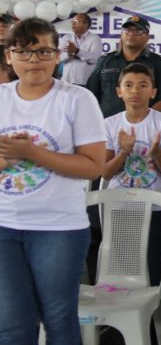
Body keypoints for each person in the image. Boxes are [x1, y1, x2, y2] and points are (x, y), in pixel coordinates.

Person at [0, 18, 105, 343]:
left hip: (59, 228)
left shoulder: (77, 99)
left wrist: (32, 153)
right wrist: (6, 158)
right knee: (12, 326)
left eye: (44, 51)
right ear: (9, 56)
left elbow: (93, 166)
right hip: (3, 226)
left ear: (57, 56)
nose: (34, 60)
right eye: (24, 51)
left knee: (59, 320)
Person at [100, 62, 161, 328]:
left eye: (143, 85)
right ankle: (124, 326)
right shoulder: (110, 124)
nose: (135, 91)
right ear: (119, 91)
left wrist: (155, 154)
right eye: (129, 85)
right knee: (123, 271)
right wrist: (123, 151)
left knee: (156, 272)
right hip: (121, 209)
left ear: (153, 91)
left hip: (156, 211)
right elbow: (105, 172)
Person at [86, 16, 161, 118]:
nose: (131, 33)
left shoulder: (159, 63)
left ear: (147, 37)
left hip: (145, 124)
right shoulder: (105, 61)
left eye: (138, 31)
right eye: (127, 30)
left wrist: (143, 119)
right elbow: (91, 95)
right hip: (108, 124)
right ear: (121, 34)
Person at [58, 13, 103, 86]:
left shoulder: (95, 39)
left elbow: (94, 58)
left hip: (85, 82)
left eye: (76, 22)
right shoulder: (67, 38)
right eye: (72, 22)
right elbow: (58, 58)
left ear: (86, 24)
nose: (73, 24)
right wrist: (69, 54)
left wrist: (77, 51)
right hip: (66, 81)